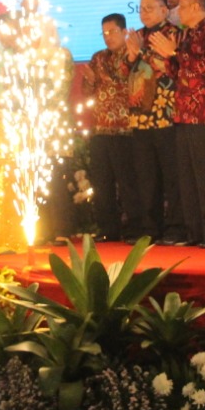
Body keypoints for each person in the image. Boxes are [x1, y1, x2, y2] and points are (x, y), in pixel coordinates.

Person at [150, 0, 205, 248]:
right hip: (183, 114)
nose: (177, 12)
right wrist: (166, 58)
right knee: (187, 177)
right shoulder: (187, 34)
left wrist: (174, 53)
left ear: (196, 6)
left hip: (204, 114)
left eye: (181, 6)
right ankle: (195, 233)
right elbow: (180, 70)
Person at [124, 0, 187, 245]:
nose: (144, 12)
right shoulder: (138, 36)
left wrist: (140, 53)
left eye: (150, 7)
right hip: (140, 118)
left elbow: (171, 68)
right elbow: (127, 71)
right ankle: (149, 228)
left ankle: (176, 228)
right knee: (145, 177)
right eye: (141, 8)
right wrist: (130, 57)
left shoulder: (174, 35)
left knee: (172, 176)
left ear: (164, 10)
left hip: (166, 116)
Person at [83, 13, 133, 242]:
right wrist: (92, 81)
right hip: (100, 129)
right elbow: (86, 93)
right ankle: (107, 229)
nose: (108, 37)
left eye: (112, 32)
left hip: (126, 130)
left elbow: (126, 81)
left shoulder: (132, 56)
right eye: (104, 33)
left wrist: (104, 78)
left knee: (128, 182)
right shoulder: (97, 58)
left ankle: (134, 228)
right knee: (102, 184)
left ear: (124, 32)